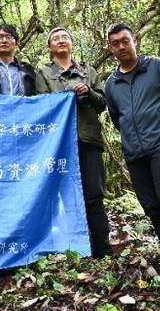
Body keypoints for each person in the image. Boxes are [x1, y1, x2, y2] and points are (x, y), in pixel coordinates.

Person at [104, 22, 160, 246]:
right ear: (110, 48)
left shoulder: (156, 66)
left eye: (125, 41)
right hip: (134, 153)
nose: (122, 46)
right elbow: (117, 117)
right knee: (152, 206)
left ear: (135, 41)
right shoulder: (111, 84)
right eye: (116, 44)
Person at [35, 27, 111, 258]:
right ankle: (68, 250)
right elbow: (42, 104)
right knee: (58, 197)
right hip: (58, 144)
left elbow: (102, 103)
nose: (61, 41)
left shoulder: (88, 71)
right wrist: (68, 96)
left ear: (71, 44)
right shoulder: (44, 73)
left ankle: (102, 250)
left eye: (65, 37)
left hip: (88, 140)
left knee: (94, 197)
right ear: (49, 48)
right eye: (55, 39)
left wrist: (87, 92)